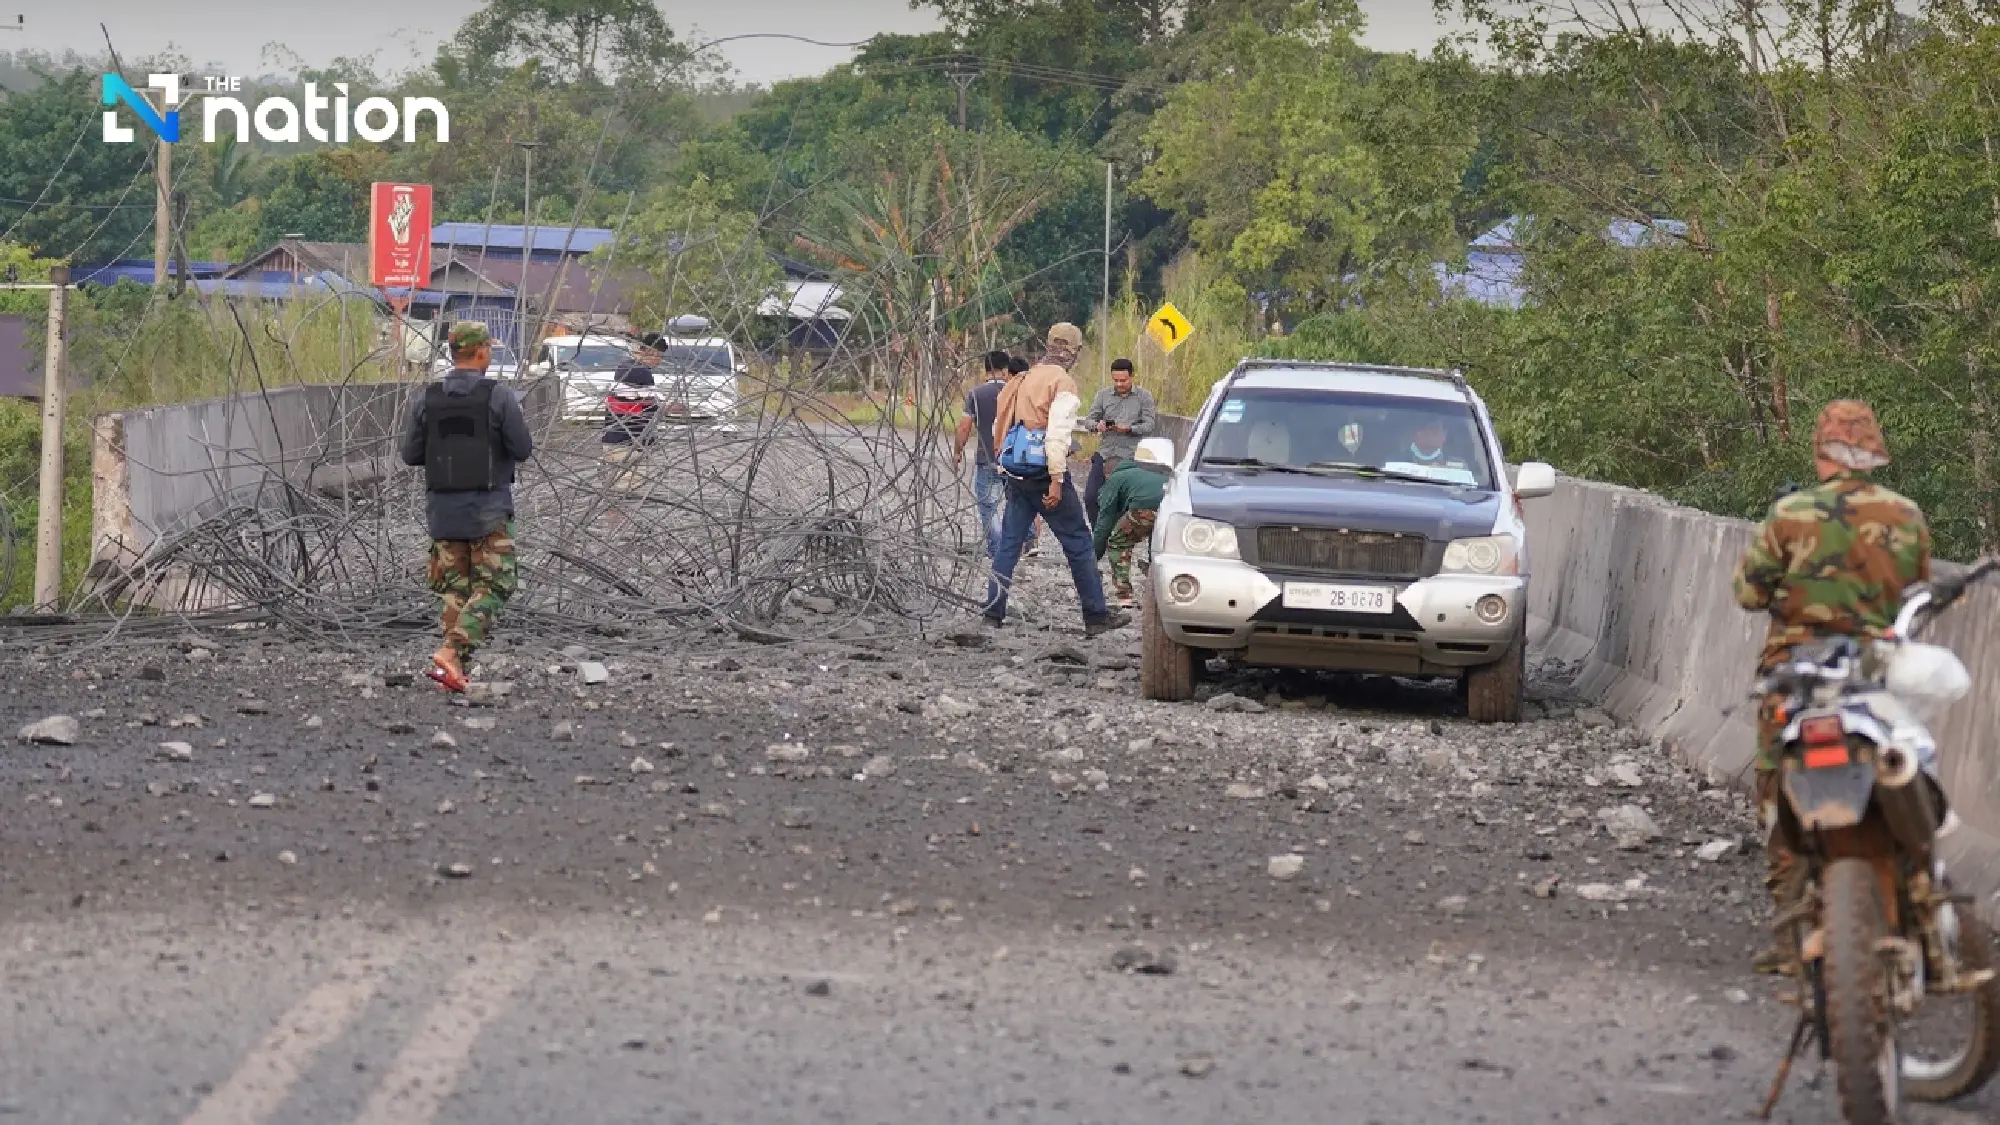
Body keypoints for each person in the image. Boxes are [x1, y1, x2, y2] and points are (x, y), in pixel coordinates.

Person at [1733, 399, 1931, 974]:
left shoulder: (1790, 514)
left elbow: (1747, 595)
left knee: (1780, 795)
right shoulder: (1906, 515)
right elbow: (1919, 592)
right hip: (1876, 677)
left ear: (1820, 449)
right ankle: (1913, 906)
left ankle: (1794, 934)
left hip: (1795, 678)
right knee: (1908, 772)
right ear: (1871, 451)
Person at [398, 321, 535, 692]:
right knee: (496, 583)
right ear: (481, 353)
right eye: (489, 348)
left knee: (455, 591)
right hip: (488, 509)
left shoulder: (427, 397)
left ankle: (455, 670)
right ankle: (451, 650)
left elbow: (410, 454)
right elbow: (522, 448)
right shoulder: (499, 396)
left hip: (442, 511)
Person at [986, 323, 1130, 636]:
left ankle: (992, 612)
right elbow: (1056, 436)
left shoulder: (1024, 377)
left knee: (1010, 543)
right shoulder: (1063, 382)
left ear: (1048, 345)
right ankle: (1095, 615)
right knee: (1078, 541)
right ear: (1074, 352)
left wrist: (1002, 465)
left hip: (1017, 471)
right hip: (1044, 473)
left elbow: (1001, 423)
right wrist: (1055, 480)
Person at [1092, 436, 1173, 609]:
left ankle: (1124, 595)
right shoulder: (1161, 474)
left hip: (1144, 510)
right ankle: (1165, 596)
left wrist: (1092, 557)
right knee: (1165, 551)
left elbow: (1104, 522)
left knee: (1118, 542)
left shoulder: (1118, 477)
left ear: (1107, 474)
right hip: (1174, 512)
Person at [955, 350, 1014, 565]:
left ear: (986, 369)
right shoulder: (1015, 391)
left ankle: (997, 548)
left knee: (988, 506)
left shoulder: (975, 394)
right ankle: (1017, 545)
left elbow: (964, 427)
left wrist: (957, 451)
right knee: (1015, 503)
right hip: (1014, 460)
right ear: (1006, 369)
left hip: (987, 458)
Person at [1082, 358, 1157, 529]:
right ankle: (1099, 533)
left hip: (1131, 456)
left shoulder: (1144, 397)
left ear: (1132, 377)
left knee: (1124, 500)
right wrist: (1097, 426)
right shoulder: (1103, 395)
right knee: (1091, 497)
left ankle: (1119, 536)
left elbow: (1150, 425)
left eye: (1123, 380)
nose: (1119, 384)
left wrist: (1129, 429)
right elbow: (1088, 420)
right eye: (1116, 380)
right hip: (1106, 453)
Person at [602, 346, 660, 449]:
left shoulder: (613, 396)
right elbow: (650, 406)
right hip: (631, 445)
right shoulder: (636, 400)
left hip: (612, 443)